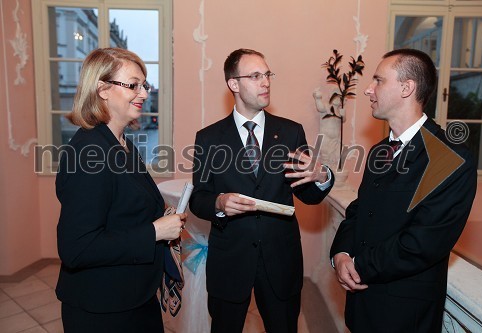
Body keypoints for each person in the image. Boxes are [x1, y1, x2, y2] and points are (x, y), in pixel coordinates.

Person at [329, 48, 477, 333]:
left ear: (407, 88)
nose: (368, 90)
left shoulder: (449, 158)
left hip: (404, 316)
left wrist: (359, 264)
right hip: (361, 308)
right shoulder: (379, 151)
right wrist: (341, 253)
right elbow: (359, 211)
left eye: (378, 81)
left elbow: (422, 243)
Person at [189, 48, 334, 332]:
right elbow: (198, 198)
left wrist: (321, 176)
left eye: (267, 74)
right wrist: (218, 202)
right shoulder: (208, 138)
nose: (265, 82)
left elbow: (308, 195)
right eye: (255, 76)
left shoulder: (291, 132)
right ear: (234, 84)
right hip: (230, 261)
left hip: (280, 261)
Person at [55, 47, 187, 333]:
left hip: (132, 296)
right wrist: (155, 231)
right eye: (133, 85)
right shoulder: (89, 152)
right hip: (102, 309)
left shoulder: (120, 143)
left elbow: (123, 210)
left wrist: (161, 219)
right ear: (102, 89)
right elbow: (76, 248)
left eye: (144, 85)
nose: (143, 93)